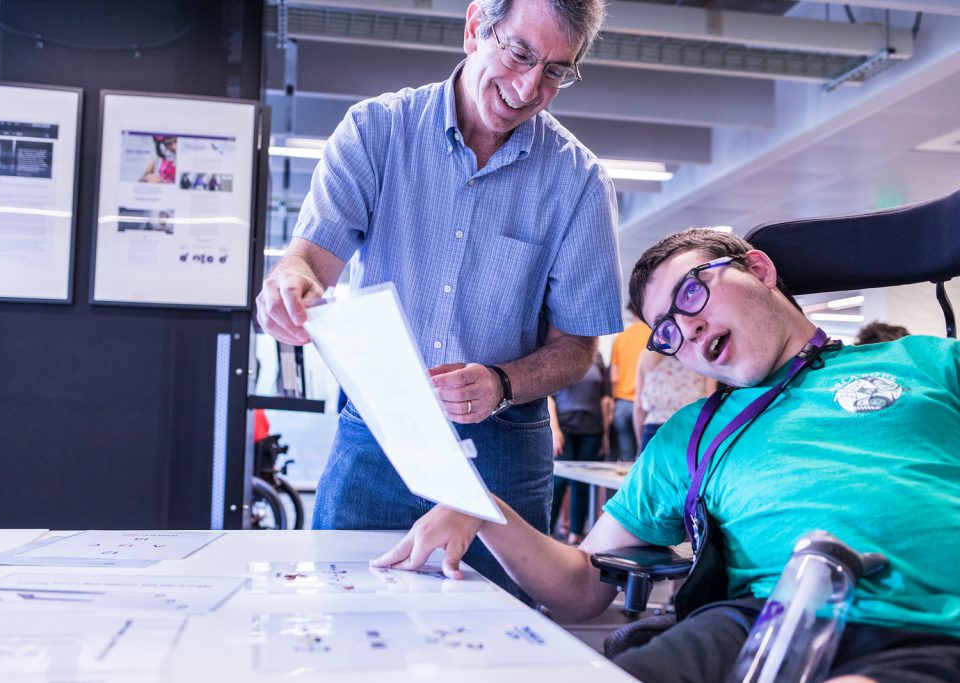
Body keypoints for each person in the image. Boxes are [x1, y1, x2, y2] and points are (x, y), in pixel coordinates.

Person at [374, 228, 960, 683]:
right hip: (756, 624)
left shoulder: (928, 363)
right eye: (667, 330)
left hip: (934, 626)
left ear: (758, 268)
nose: (687, 327)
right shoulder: (688, 437)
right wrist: (482, 508)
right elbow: (583, 587)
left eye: (691, 291)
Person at [255, 0, 622, 599]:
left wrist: (501, 382)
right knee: (344, 618)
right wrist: (289, 286)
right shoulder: (376, 131)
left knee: (501, 638)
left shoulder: (578, 181)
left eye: (556, 71)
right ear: (477, 26)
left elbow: (577, 348)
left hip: (503, 451)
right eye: (520, 53)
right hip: (379, 439)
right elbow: (308, 262)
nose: (530, 87)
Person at [548, 350, 611, 545]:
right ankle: (546, 532)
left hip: (592, 427)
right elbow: (548, 397)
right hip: (564, 427)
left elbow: (605, 398)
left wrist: (605, 434)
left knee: (582, 484)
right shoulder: (559, 355)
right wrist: (555, 429)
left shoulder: (598, 358)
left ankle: (576, 534)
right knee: (558, 482)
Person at [633, 352, 713, 452]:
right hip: (691, 429)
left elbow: (639, 407)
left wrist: (640, 445)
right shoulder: (703, 356)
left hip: (653, 430)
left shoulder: (646, 357)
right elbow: (711, 405)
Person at [609, 312, 650, 461]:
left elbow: (613, 377)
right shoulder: (653, 334)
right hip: (645, 405)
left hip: (622, 405)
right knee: (645, 456)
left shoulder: (621, 337)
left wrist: (613, 403)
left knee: (626, 457)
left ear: (632, 315)